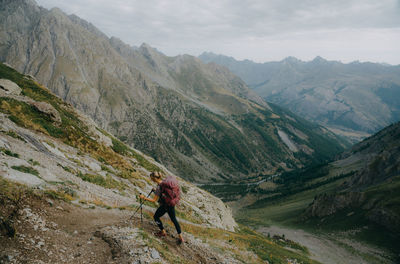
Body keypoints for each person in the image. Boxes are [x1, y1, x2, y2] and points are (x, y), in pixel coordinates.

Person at [139, 171, 184, 244]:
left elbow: (154, 200)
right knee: (174, 220)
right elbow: (163, 194)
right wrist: (155, 191)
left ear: (154, 179)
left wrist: (143, 197)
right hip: (171, 204)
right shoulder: (164, 183)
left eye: (152, 179)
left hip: (165, 205)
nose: (151, 180)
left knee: (156, 217)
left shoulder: (159, 187)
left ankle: (163, 232)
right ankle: (181, 237)